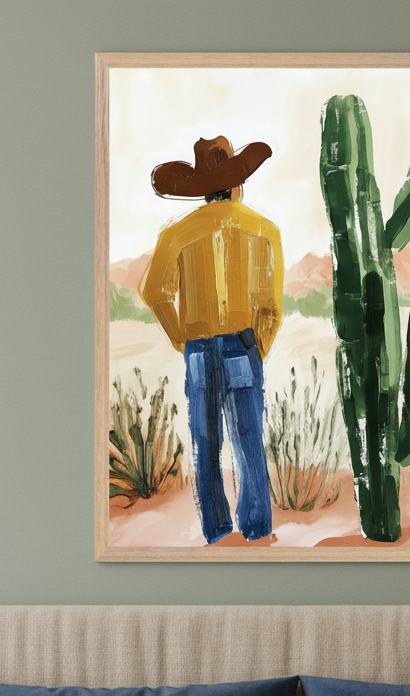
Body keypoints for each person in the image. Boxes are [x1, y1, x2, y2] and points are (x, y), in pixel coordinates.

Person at [139, 136, 283, 544]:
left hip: (200, 349)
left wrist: (181, 339)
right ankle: (257, 529)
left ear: (201, 190)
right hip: (242, 344)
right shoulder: (264, 230)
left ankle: (216, 531)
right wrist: (258, 347)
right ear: (237, 183)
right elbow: (271, 305)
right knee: (250, 440)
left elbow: (154, 294)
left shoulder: (178, 234)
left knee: (206, 444)